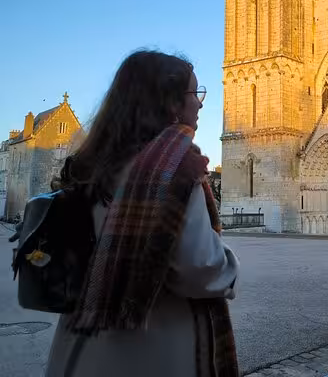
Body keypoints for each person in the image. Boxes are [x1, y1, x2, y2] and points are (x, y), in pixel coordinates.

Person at [46, 50, 240, 377]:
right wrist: (230, 263)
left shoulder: (89, 163)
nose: (201, 103)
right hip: (150, 351)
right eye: (195, 93)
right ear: (171, 103)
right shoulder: (172, 168)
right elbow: (201, 268)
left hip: (80, 350)